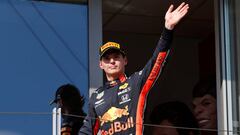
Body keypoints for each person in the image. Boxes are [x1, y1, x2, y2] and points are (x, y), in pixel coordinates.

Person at [79, 2, 189, 135]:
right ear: (100, 65)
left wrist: (167, 30)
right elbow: (86, 132)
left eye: (116, 57)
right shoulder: (96, 97)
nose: (112, 61)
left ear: (125, 60)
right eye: (107, 59)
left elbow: (156, 62)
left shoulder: (135, 82)